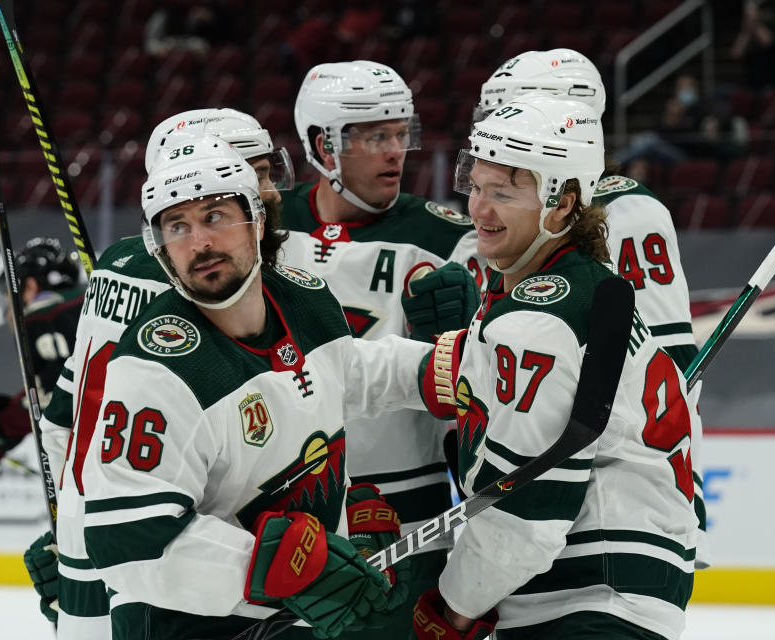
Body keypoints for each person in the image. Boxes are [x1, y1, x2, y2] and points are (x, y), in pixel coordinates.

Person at [79, 133, 430, 640]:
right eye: (177, 226)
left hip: (293, 617)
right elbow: (126, 543)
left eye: (215, 216)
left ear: (258, 219)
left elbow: (346, 373)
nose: (198, 242)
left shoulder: (303, 298)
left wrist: (443, 370)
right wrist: (271, 565)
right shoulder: (155, 368)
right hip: (191, 627)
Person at [413, 95, 700, 640]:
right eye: (475, 187)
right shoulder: (567, 292)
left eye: (503, 193)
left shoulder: (542, 317)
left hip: (589, 595)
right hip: (609, 592)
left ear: (564, 203)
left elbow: (527, 511)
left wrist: (453, 608)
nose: (479, 209)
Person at [30, 109, 299, 638]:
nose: (267, 191)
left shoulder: (117, 263)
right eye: (253, 175)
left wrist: (68, 522)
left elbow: (64, 421)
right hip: (183, 551)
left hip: (95, 532)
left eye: (267, 174)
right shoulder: (215, 283)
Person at [473, 48, 709, 559]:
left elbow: (670, 367)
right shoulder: (520, 222)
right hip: (541, 483)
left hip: (607, 502)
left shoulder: (629, 210)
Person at [282, 59, 482, 637]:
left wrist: (455, 340)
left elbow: (475, 388)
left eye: (401, 134)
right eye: (375, 136)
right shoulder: (261, 229)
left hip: (404, 513)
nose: (396, 152)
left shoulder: (449, 239)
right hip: (285, 510)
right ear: (323, 144)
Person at [0, 237, 83, 471]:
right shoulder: (98, 303)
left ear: (30, 288)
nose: (9, 314)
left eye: (8, 298)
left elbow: (60, 394)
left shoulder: (41, 318)